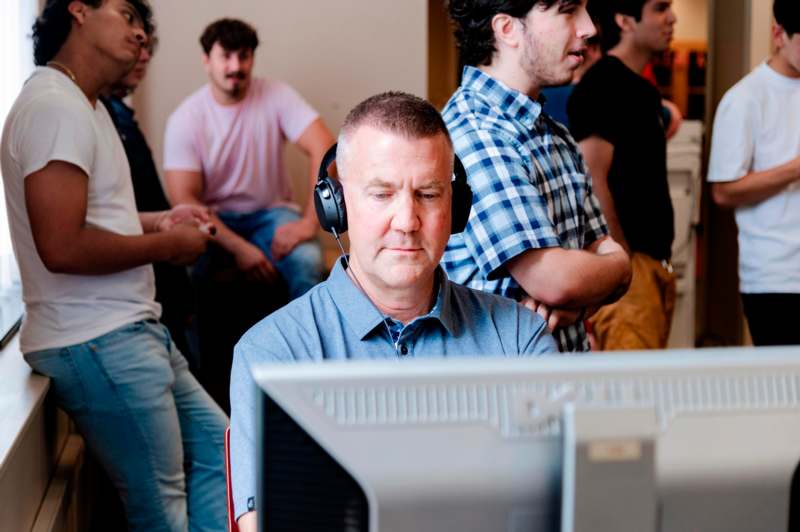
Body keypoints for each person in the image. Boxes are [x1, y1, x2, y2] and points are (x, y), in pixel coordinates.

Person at [229, 92, 558, 531]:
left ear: (456, 209)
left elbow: (555, 511)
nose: (407, 220)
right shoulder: (271, 354)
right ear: (338, 206)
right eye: (382, 194)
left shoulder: (519, 339)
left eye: (428, 193)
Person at [0, 1, 228, 531]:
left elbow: (96, 219)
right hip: (98, 338)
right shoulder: (54, 105)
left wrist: (162, 222)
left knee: (224, 452)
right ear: (79, 10)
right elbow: (61, 246)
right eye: (127, 15)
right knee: (161, 508)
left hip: (129, 330)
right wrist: (169, 248)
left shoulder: (88, 105)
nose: (141, 36)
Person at [442, 0, 631, 352]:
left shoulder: (555, 134)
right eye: (568, 10)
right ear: (507, 29)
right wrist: (617, 267)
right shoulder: (475, 132)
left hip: (562, 384)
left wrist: (596, 283)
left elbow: (596, 263)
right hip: (504, 395)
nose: (588, 28)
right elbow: (557, 280)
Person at [163, 18, 334, 300]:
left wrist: (307, 224)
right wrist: (240, 248)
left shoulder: (276, 95)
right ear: (207, 60)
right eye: (226, 57)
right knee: (188, 271)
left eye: (243, 56)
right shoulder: (186, 118)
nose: (236, 67)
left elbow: (325, 148)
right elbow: (185, 200)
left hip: (271, 213)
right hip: (213, 218)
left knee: (307, 262)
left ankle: (308, 344)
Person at [568, 0, 677, 350]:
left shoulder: (642, 89)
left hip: (655, 264)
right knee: (632, 396)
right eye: (660, 8)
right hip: (630, 268)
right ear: (625, 20)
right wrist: (623, 265)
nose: (671, 18)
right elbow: (593, 178)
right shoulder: (602, 85)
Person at [101, 33, 199, 369]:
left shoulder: (120, 115)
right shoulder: (97, 117)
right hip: (140, 281)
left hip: (162, 270)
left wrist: (165, 219)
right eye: (136, 48)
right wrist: (165, 234)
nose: (143, 57)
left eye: (147, 49)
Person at [707, 0, 800, 346]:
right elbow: (724, 191)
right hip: (775, 277)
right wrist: (794, 168)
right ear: (779, 35)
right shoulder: (745, 98)